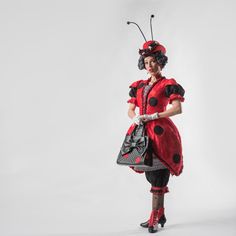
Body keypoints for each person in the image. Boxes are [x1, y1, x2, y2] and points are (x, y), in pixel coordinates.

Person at [126, 39, 185, 233]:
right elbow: (130, 109)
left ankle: (154, 217)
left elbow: (177, 109)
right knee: (151, 175)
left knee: (159, 176)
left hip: (161, 134)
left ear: (161, 61)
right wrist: (136, 118)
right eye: (147, 62)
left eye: (153, 61)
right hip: (143, 133)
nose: (150, 66)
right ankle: (161, 213)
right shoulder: (139, 85)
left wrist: (154, 115)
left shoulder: (168, 84)